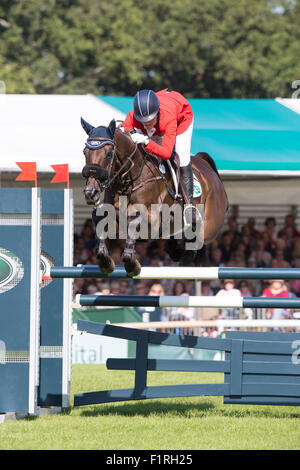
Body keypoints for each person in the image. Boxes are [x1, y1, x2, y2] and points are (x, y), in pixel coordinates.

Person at [122, 88, 200, 226]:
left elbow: (166, 153)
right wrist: (131, 134)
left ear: (157, 112)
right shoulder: (133, 116)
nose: (146, 123)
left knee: (181, 156)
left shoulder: (168, 119)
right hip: (163, 107)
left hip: (182, 118)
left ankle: (189, 206)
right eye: (143, 120)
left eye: (150, 119)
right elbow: (127, 130)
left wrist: (147, 141)